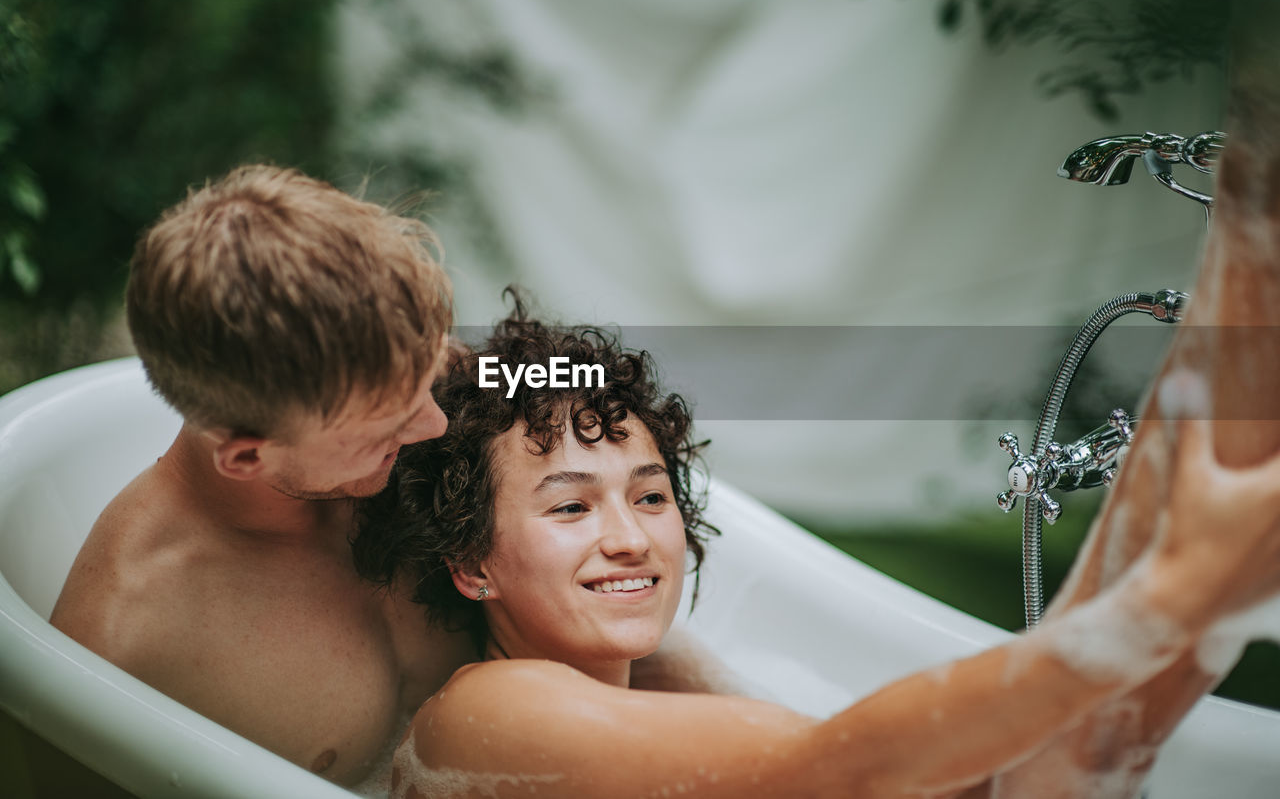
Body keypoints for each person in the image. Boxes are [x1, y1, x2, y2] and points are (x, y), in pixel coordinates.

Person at [358, 305, 1280, 798]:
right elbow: (840, 768)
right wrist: (1161, 604)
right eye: (570, 509)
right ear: (471, 564)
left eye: (649, 494)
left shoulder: (654, 679)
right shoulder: (484, 715)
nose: (631, 536)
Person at [49, 166, 731, 789]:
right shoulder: (121, 641)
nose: (435, 423)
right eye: (386, 428)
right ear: (248, 456)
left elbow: (574, 380)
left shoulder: (402, 371)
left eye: (427, 379)